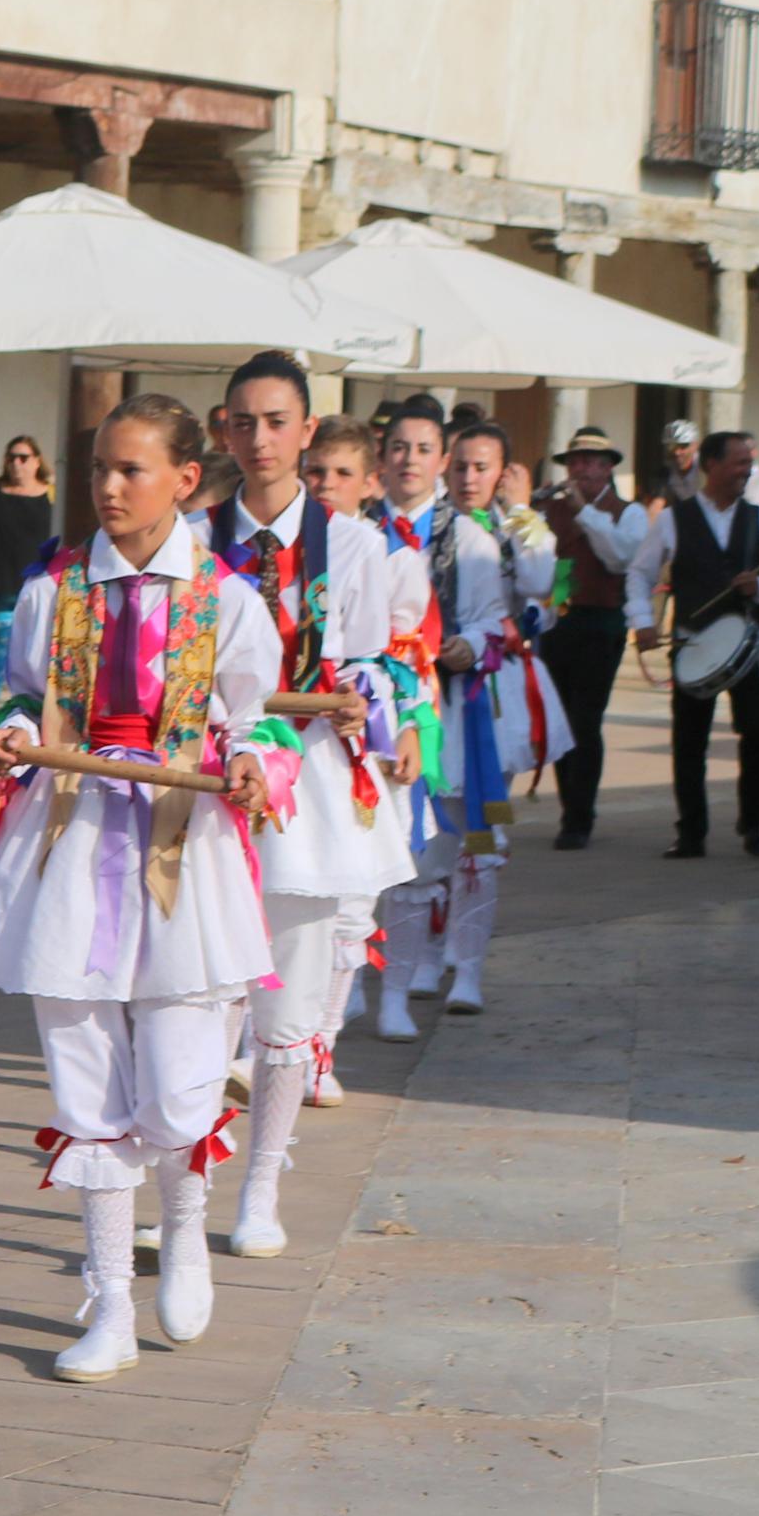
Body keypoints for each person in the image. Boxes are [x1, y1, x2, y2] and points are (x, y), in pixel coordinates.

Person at [0, 392, 275, 1383]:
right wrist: (7, 732)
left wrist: (251, 761)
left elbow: (256, 719)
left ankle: (188, 1216)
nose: (109, 489)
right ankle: (106, 1302)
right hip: (71, 838)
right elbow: (18, 691)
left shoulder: (226, 600)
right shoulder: (53, 589)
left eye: (131, 470)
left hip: (183, 844)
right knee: (81, 1067)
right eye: (99, 471)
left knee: (177, 1086)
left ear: (183, 479)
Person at [195, 357, 415, 1261]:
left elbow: (372, 663)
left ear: (307, 429)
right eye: (242, 423)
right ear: (220, 431)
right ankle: (186, 1180)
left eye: (276, 422)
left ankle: (261, 1184)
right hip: (212, 776)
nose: (259, 440)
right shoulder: (192, 537)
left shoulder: (355, 545)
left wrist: (360, 694)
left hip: (311, 783)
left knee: (285, 1003)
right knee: (198, 992)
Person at [373, 413, 559, 1029]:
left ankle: (466, 964)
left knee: (474, 836)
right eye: (399, 447)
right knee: (399, 843)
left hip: (474, 708)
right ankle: (407, 964)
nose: (411, 460)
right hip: (383, 704)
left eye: (425, 450)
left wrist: (471, 646)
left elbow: (520, 605)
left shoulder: (485, 537)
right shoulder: (358, 528)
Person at [296, 415, 408, 1107]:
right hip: (281, 723)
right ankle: (263, 1037)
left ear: (368, 483)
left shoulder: (374, 547)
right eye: (316, 471)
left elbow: (379, 649)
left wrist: (366, 702)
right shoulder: (271, 540)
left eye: (341, 473)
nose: (326, 486)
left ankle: (321, 1041)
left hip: (345, 722)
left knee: (348, 893)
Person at [632, 426, 759, 862]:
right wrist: (642, 622)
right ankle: (691, 833)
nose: (748, 470)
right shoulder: (672, 518)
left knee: (758, 732)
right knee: (689, 741)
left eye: (749, 462)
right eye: (740, 462)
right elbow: (640, 573)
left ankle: (753, 825)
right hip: (692, 641)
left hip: (749, 643)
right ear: (711, 466)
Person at [536, 427, 650, 849]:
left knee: (586, 719)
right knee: (561, 722)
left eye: (590, 462)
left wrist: (584, 510)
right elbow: (544, 561)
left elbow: (619, 557)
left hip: (602, 623)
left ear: (607, 469)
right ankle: (571, 806)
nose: (581, 469)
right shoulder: (549, 506)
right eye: (575, 461)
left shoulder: (629, 512)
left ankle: (579, 817)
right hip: (559, 619)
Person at [0, 436, 59, 676]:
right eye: (11, 458)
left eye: (23, 458)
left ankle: (26, 692)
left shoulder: (50, 494)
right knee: (2, 637)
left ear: (36, 461)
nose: (17, 463)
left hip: (40, 579)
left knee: (37, 641)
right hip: (1, 578)